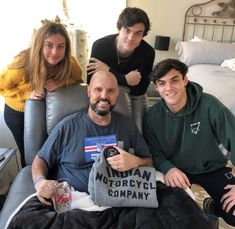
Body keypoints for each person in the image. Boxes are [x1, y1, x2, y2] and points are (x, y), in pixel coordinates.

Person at [32, 70, 152, 206]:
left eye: (111, 91)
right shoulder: (67, 126)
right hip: (75, 202)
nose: (104, 96)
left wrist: (136, 162)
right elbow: (41, 159)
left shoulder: (127, 125)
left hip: (117, 200)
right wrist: (39, 182)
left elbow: (149, 161)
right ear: (89, 92)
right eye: (98, 90)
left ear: (117, 93)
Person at [143, 58, 235, 226]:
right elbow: (153, 151)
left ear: (185, 80)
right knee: (179, 219)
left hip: (212, 168)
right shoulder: (152, 117)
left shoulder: (210, 105)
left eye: (175, 80)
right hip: (177, 171)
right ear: (157, 88)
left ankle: (211, 208)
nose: (169, 88)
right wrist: (167, 168)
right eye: (162, 83)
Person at [0, 21, 83, 167]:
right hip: (19, 113)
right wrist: (27, 94)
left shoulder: (69, 62)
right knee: (30, 155)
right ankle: (31, 183)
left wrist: (61, 82)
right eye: (49, 45)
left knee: (51, 151)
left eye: (60, 46)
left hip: (49, 111)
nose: (55, 52)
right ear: (40, 45)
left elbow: (78, 78)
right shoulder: (22, 62)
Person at [86, 7, 155, 132]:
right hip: (106, 92)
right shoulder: (100, 46)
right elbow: (91, 83)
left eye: (138, 33)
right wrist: (125, 79)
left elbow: (140, 90)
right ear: (119, 29)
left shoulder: (148, 52)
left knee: (139, 129)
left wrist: (108, 71)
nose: (131, 38)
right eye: (127, 30)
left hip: (135, 96)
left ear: (143, 35)